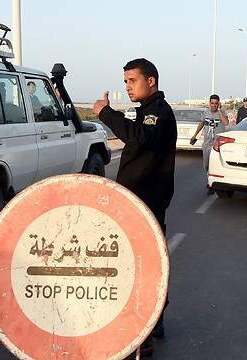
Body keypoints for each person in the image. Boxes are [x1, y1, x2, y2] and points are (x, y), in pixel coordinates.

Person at [93, 58, 176, 357]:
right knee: (139, 264)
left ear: (150, 81)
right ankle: (154, 324)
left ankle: (147, 332)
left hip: (147, 203)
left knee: (143, 268)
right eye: (125, 81)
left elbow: (139, 139)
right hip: (136, 201)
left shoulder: (159, 112)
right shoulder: (146, 111)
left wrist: (105, 113)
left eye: (132, 80)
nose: (127, 86)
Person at [190, 94, 229, 194]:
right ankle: (210, 180)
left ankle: (211, 185)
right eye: (212, 103)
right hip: (206, 144)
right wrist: (195, 135)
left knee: (214, 165)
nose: (214, 105)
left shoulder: (222, 113)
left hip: (216, 145)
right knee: (206, 165)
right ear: (209, 103)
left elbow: (226, 123)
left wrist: (219, 111)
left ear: (218, 104)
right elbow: (202, 123)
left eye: (216, 103)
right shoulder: (206, 113)